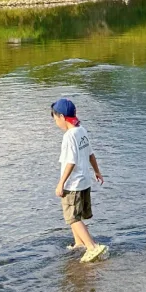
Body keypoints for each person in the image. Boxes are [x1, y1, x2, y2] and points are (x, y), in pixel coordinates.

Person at [52, 97, 107, 262]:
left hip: (73, 184)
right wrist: (97, 171)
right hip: (85, 181)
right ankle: (79, 243)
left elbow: (70, 162)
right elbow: (90, 153)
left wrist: (60, 183)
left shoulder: (69, 136)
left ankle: (92, 247)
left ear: (62, 117)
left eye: (55, 118)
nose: (55, 122)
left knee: (72, 217)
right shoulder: (81, 130)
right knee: (76, 215)